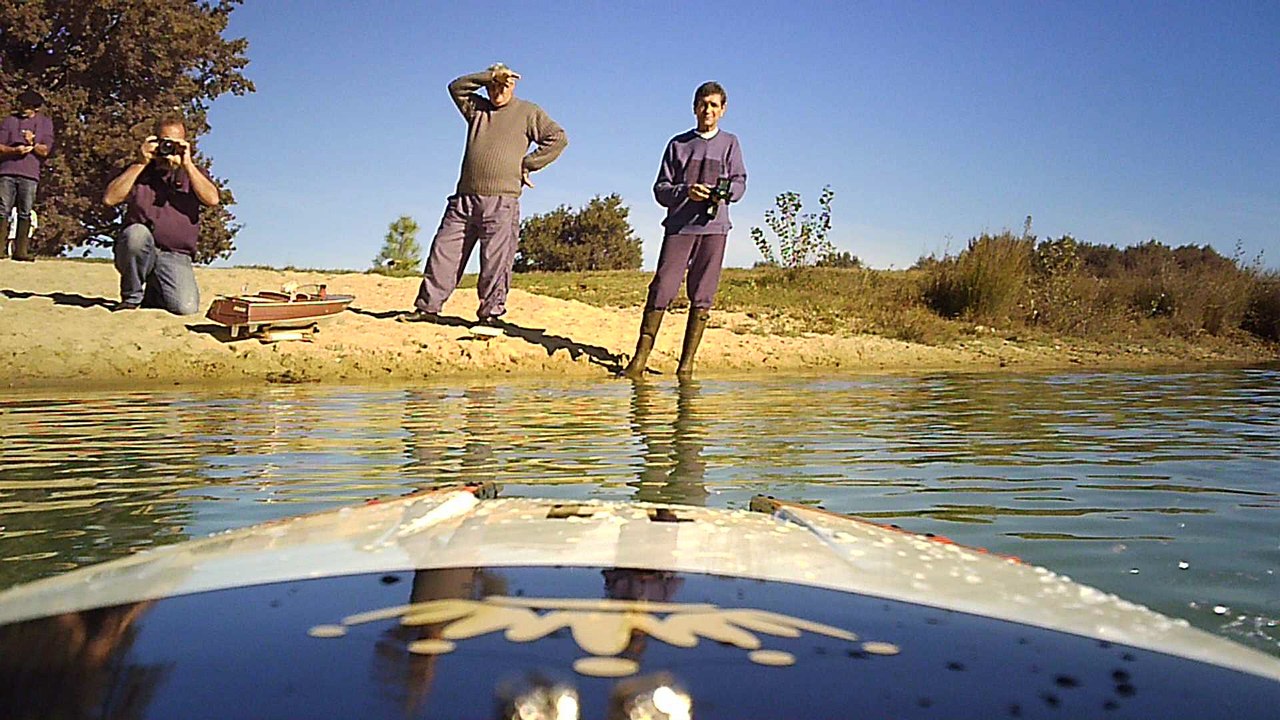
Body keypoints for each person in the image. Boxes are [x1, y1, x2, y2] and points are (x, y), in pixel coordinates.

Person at [401, 63, 568, 326]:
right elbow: (456, 87)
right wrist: (490, 76)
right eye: (492, 85)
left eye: (503, 84)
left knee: (495, 262)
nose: (497, 90)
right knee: (443, 253)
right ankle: (428, 309)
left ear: (513, 85)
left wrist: (528, 163)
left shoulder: (527, 112)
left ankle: (490, 315)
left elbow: (557, 138)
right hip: (463, 199)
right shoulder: (477, 109)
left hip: (501, 200)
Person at [622, 81, 747, 380]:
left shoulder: (730, 143)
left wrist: (723, 194)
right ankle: (638, 362)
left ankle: (686, 366)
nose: (708, 110)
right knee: (663, 288)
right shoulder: (677, 145)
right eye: (703, 104)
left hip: (714, 229)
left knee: (703, 293)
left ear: (723, 110)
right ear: (694, 108)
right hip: (679, 227)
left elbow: (740, 183)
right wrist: (685, 192)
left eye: (714, 105)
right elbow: (660, 189)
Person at [102, 117, 221, 314]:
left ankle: (156, 291)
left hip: (175, 254)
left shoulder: (193, 173)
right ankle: (131, 297)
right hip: (142, 247)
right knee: (135, 235)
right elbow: (110, 198)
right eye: (164, 142)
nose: (169, 148)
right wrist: (140, 163)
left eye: (175, 144)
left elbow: (212, 199)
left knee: (186, 307)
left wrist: (187, 164)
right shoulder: (138, 171)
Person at [0, 89, 54, 261]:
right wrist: (14, 150)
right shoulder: (10, 121)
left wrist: (33, 142)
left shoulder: (45, 123)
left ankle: (21, 251)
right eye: (23, 105)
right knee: (2, 209)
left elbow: (45, 150)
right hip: (7, 170)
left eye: (28, 107)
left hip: (29, 173)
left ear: (36, 108)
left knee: (25, 211)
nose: (24, 109)